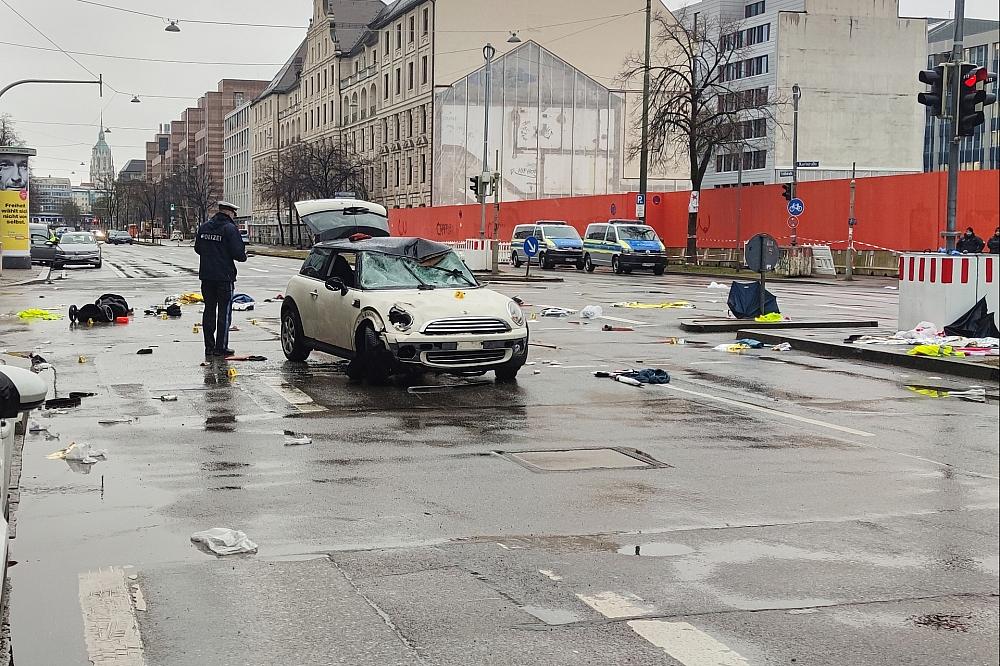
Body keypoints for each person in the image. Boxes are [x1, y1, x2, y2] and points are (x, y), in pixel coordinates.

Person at [194, 201, 247, 357]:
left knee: (209, 310)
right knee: (224, 312)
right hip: (224, 277)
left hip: (207, 276)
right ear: (230, 213)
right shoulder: (230, 229)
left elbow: (198, 248)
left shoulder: (204, 227)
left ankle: (209, 347)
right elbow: (239, 254)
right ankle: (221, 348)